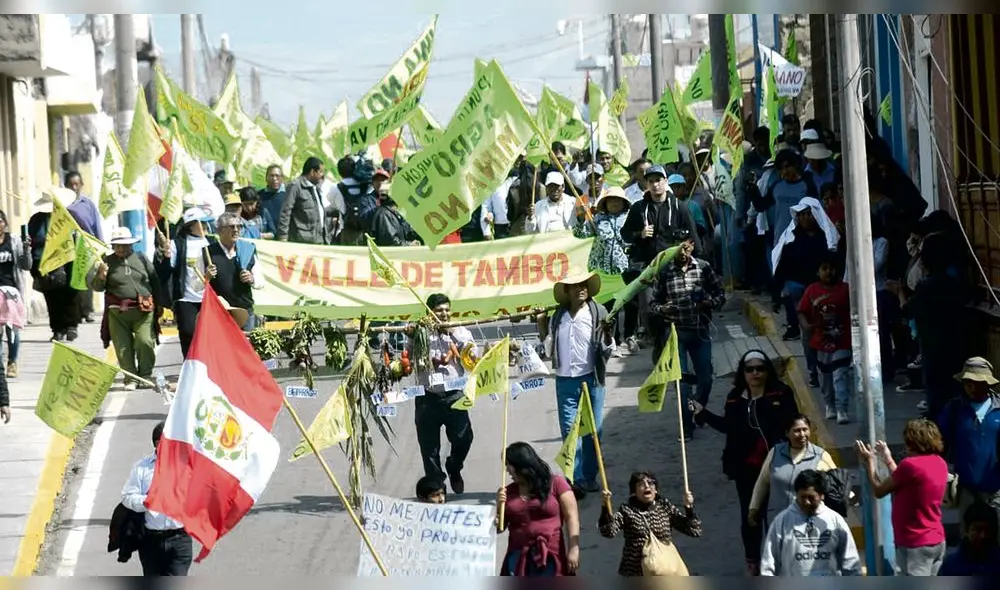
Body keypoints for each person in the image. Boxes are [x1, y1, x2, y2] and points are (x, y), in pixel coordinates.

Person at [690, 350, 799, 575]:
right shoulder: (734, 397)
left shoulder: (781, 392)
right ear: (743, 372)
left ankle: (780, 560)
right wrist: (704, 414)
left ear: (768, 370)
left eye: (760, 368)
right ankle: (753, 560)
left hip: (778, 466)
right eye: (750, 369)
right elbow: (728, 427)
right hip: (746, 468)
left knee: (779, 514)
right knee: (751, 515)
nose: (755, 373)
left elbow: (795, 426)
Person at [536, 272, 614, 498]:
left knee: (593, 431)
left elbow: (610, 347)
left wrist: (608, 334)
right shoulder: (558, 317)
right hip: (565, 380)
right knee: (569, 432)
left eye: (584, 285)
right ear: (567, 292)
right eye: (576, 286)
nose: (582, 289)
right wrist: (541, 322)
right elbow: (548, 348)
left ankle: (588, 477)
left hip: (592, 378)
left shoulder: (598, 313)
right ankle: (575, 477)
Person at [892, 232, 975, 419]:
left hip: (932, 345)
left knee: (936, 389)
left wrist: (899, 292)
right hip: (956, 342)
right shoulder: (955, 283)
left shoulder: (926, 286)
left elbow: (908, 309)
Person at [649, 240, 726, 442]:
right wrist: (663, 309)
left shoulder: (703, 267)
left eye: (686, 246)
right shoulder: (665, 271)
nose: (682, 252)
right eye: (677, 248)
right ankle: (687, 427)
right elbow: (653, 303)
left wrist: (709, 302)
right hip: (675, 335)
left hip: (700, 332)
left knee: (706, 379)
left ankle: (698, 409)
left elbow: (720, 294)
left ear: (692, 246)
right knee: (682, 385)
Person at [856, 419, 948, 575]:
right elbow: (903, 478)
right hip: (936, 539)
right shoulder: (939, 462)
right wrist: (888, 458)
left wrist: (870, 462)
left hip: (915, 543)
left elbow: (879, 491)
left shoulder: (910, 465)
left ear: (911, 442)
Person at [406, 294, 477, 493]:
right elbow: (409, 360)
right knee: (429, 448)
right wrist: (411, 338)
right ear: (429, 313)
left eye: (447, 310)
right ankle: (436, 488)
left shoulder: (461, 331)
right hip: (427, 397)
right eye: (439, 311)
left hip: (455, 395)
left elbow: (473, 355)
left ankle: (454, 467)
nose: (444, 314)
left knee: (464, 438)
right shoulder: (421, 333)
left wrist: (452, 333)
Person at [496, 442, 580, 576]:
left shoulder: (556, 483)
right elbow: (499, 528)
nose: (506, 470)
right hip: (518, 558)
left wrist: (574, 548)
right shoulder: (507, 492)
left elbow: (572, 517)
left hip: (552, 556)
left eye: (508, 465)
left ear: (521, 465)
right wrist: (499, 507)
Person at [122, 421, 192, 576]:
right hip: (151, 542)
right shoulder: (142, 468)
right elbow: (127, 497)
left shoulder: (187, 465)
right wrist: (148, 501)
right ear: (158, 443)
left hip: (179, 539)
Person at [598, 471, 701, 577]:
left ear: (655, 489)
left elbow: (694, 531)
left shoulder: (664, 507)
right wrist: (605, 506)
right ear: (634, 491)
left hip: (664, 570)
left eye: (650, 483)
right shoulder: (627, 511)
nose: (647, 486)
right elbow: (608, 531)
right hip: (635, 573)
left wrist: (689, 508)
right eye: (641, 484)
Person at [760, 469, 861, 576]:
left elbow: (851, 562)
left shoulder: (835, 521)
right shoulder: (782, 521)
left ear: (822, 495)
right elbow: (768, 562)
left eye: (811, 498)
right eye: (802, 497)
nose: (806, 502)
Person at [93, 228, 160, 390]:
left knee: (144, 342)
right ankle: (130, 378)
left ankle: (145, 375)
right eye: (117, 246)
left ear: (132, 244)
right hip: (118, 313)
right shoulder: (105, 261)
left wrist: (161, 304)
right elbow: (97, 286)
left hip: (143, 310)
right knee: (122, 347)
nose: (121, 249)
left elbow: (155, 280)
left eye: (124, 245)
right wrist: (101, 275)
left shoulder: (142, 258)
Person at [937, 357, 1000, 524]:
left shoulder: (999, 408)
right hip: (966, 487)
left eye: (977, 383)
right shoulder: (954, 409)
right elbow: (940, 443)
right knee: (969, 537)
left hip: (996, 488)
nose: (972, 388)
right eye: (968, 383)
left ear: (988, 384)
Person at [750, 414, 837, 530]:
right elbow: (762, 482)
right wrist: (753, 508)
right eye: (797, 431)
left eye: (805, 430)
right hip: (777, 521)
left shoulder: (821, 456)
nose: (802, 434)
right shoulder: (775, 453)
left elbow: (837, 486)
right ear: (787, 433)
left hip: (808, 525)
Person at [798, 254, 853, 423]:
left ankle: (842, 408)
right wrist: (806, 326)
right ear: (818, 272)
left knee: (840, 374)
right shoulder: (812, 291)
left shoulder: (846, 289)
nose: (829, 272)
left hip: (843, 341)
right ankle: (829, 405)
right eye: (824, 268)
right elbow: (801, 312)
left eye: (831, 268)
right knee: (827, 376)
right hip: (820, 342)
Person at [155, 207, 215, 358]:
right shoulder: (177, 244)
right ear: (191, 225)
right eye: (202, 223)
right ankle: (189, 363)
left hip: (208, 297)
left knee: (209, 335)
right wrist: (166, 256)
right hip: (186, 298)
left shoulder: (211, 242)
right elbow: (165, 270)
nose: (206, 227)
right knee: (188, 332)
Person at [28, 191, 82, 342]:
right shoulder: (36, 220)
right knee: (52, 298)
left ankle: (71, 325)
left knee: (71, 293)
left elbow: (79, 236)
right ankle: (57, 329)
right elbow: (33, 243)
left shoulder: (69, 217)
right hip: (45, 263)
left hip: (68, 260)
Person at [208, 213, 262, 331]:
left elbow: (260, 282)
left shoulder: (248, 250)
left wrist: (251, 279)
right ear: (220, 230)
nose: (236, 230)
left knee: (246, 348)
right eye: (232, 227)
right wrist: (207, 276)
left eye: (239, 227)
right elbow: (195, 286)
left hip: (245, 311)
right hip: (220, 312)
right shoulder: (208, 253)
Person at [65, 170, 103, 323]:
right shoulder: (62, 204)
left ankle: (87, 311)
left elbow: (96, 225)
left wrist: (100, 245)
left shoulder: (87, 204)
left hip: (86, 245)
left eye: (77, 184)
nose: (74, 187)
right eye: (71, 184)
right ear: (65, 185)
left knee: (86, 278)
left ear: (81, 185)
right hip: (68, 245)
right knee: (71, 280)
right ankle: (76, 313)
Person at [277, 157, 339, 245]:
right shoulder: (296, 186)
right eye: (320, 172)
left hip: (319, 239)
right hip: (302, 241)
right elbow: (285, 212)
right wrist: (283, 238)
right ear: (312, 172)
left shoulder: (315, 188)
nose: (322, 175)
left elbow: (317, 210)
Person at [0, 209, 31, 378]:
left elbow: (26, 266)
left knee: (12, 329)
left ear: (5, 223)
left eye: (0, 221)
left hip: (11, 291)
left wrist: (26, 250)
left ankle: (12, 362)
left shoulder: (14, 241)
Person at [937, 502, 1000, 576]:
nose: (983, 536)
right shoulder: (951, 565)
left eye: (988, 530)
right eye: (978, 529)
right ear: (966, 530)